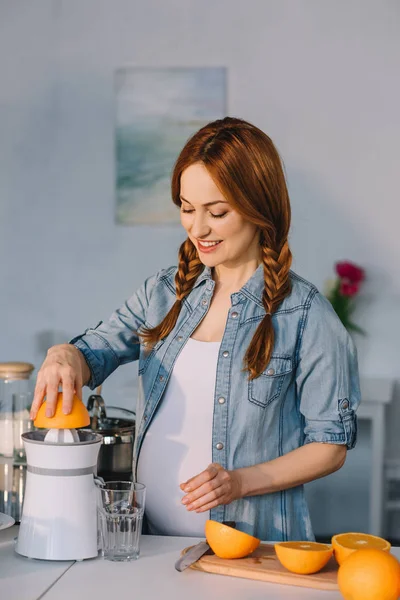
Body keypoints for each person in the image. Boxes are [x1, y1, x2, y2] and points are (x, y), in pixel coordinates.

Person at [30, 117, 361, 541]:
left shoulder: (306, 314)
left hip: (252, 551)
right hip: (150, 546)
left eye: (217, 212)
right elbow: (95, 350)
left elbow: (330, 446)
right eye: (187, 209)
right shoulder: (164, 294)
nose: (197, 228)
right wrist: (63, 355)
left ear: (259, 207)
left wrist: (241, 482)